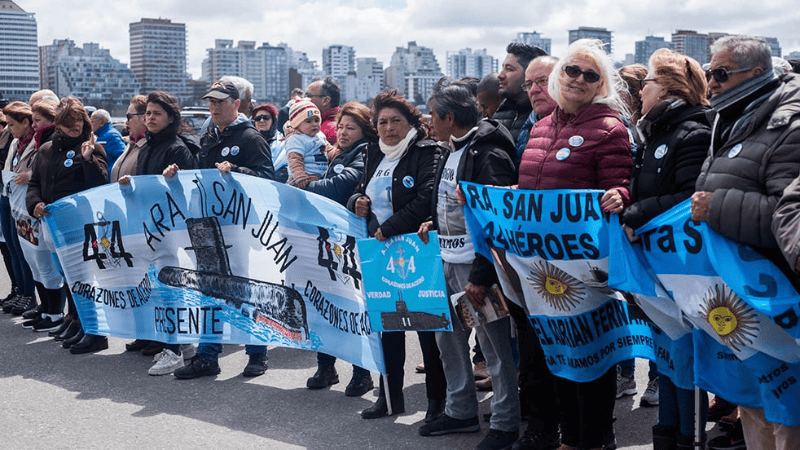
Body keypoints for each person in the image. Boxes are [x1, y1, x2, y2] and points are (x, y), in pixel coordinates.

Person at [517, 39, 632, 450]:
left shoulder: (609, 127)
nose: (578, 80)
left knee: (590, 356)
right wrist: (499, 196)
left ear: (600, 84)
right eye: (572, 70)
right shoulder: (541, 126)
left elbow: (621, 182)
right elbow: (532, 188)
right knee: (557, 354)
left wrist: (621, 195)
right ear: (557, 74)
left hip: (585, 264)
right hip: (542, 265)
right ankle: (570, 436)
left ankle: (593, 439)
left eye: (590, 75)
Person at [693, 35, 800, 450]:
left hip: (775, 294)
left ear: (755, 74)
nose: (711, 82)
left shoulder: (788, 124)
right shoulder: (730, 116)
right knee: (753, 401)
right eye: (708, 73)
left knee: (788, 414)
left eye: (719, 73)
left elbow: (786, 214)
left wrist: (716, 207)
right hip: (741, 294)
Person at [417, 78, 520, 450]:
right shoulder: (452, 147)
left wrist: (481, 275)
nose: (429, 122)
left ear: (449, 116)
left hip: (476, 268)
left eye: (432, 115)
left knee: (494, 346)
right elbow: (447, 197)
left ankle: (506, 422)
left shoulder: (488, 153)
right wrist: (434, 219)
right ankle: (460, 410)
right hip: (445, 259)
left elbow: (495, 221)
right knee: (448, 339)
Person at [620, 48, 712, 450]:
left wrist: (636, 214)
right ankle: (668, 432)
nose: (641, 91)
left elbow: (686, 198)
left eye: (648, 84)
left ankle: (688, 437)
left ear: (669, 88)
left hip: (681, 265)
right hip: (656, 263)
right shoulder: (655, 131)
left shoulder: (692, 132)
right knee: (668, 352)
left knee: (685, 356)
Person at [348, 90, 447, 420]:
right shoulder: (374, 151)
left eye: (396, 121)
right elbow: (363, 193)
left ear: (411, 123)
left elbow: (427, 197)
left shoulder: (426, 151)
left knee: (426, 332)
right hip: (380, 253)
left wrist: (390, 227)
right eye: (382, 122)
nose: (389, 128)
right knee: (387, 329)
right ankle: (389, 399)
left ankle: (436, 404)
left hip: (418, 250)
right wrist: (357, 202)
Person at [170, 78, 273, 380]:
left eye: (220, 101)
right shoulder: (210, 136)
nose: (213, 107)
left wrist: (237, 171)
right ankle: (208, 356)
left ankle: (257, 353)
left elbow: (269, 179)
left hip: (240, 226)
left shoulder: (251, 137)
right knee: (210, 291)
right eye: (211, 102)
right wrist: (179, 174)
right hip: (210, 224)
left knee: (244, 290)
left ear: (236, 104)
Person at [303, 101, 374, 396]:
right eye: (340, 127)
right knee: (326, 304)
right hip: (329, 240)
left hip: (352, 243)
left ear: (364, 130)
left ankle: (361, 372)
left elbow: (342, 185)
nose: (343, 132)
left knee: (354, 307)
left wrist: (305, 186)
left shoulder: (366, 153)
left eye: (351, 128)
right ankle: (326, 365)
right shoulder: (340, 153)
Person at [27, 97, 108, 354]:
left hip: (81, 227)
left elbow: (100, 185)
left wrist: (87, 159)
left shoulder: (92, 147)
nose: (75, 127)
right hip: (55, 226)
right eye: (68, 123)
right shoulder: (46, 150)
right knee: (68, 278)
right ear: (59, 125)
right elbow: (34, 184)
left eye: (78, 122)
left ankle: (95, 330)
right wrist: (35, 203)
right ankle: (77, 320)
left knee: (84, 280)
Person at [512, 55, 563, 450]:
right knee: (532, 348)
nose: (534, 90)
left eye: (542, 81)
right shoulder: (531, 130)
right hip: (529, 261)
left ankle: (589, 431)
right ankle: (541, 424)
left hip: (572, 262)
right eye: (530, 83)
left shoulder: (603, 127)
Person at [16, 100, 61, 332]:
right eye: (32, 120)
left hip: (47, 210)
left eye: (37, 120)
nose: (34, 125)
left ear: (52, 121)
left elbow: (46, 174)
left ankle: (55, 313)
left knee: (49, 266)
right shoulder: (38, 141)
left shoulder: (51, 141)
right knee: (38, 263)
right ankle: (47, 309)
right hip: (32, 208)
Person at [0, 101, 37, 316]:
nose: (9, 129)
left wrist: (29, 176)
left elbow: (39, 170)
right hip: (9, 195)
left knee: (25, 250)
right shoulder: (16, 143)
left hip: (24, 200)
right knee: (13, 247)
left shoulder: (35, 142)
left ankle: (29, 294)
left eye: (12, 124)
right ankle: (21, 291)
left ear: (26, 122)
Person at [493, 43, 548, 165]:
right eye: (502, 68)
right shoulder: (499, 113)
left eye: (509, 69)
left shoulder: (541, 117)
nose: (500, 75)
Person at [282, 99, 329, 188]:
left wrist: (338, 153)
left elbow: (328, 149)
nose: (314, 124)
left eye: (316, 120)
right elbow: (294, 160)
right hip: (303, 178)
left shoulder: (319, 135)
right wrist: (300, 176)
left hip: (320, 177)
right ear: (297, 124)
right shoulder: (296, 139)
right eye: (309, 121)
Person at [251, 103, 286, 182]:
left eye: (266, 118)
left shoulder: (283, 143)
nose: (262, 121)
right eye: (258, 118)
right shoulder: (248, 141)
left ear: (273, 121)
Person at [90, 109, 126, 178]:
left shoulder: (112, 135)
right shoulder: (104, 135)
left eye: (92, 122)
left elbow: (122, 157)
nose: (90, 125)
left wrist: (108, 173)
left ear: (101, 122)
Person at [305, 78, 341, 144]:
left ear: (325, 101)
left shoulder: (327, 130)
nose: (304, 99)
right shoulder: (339, 122)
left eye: (309, 96)